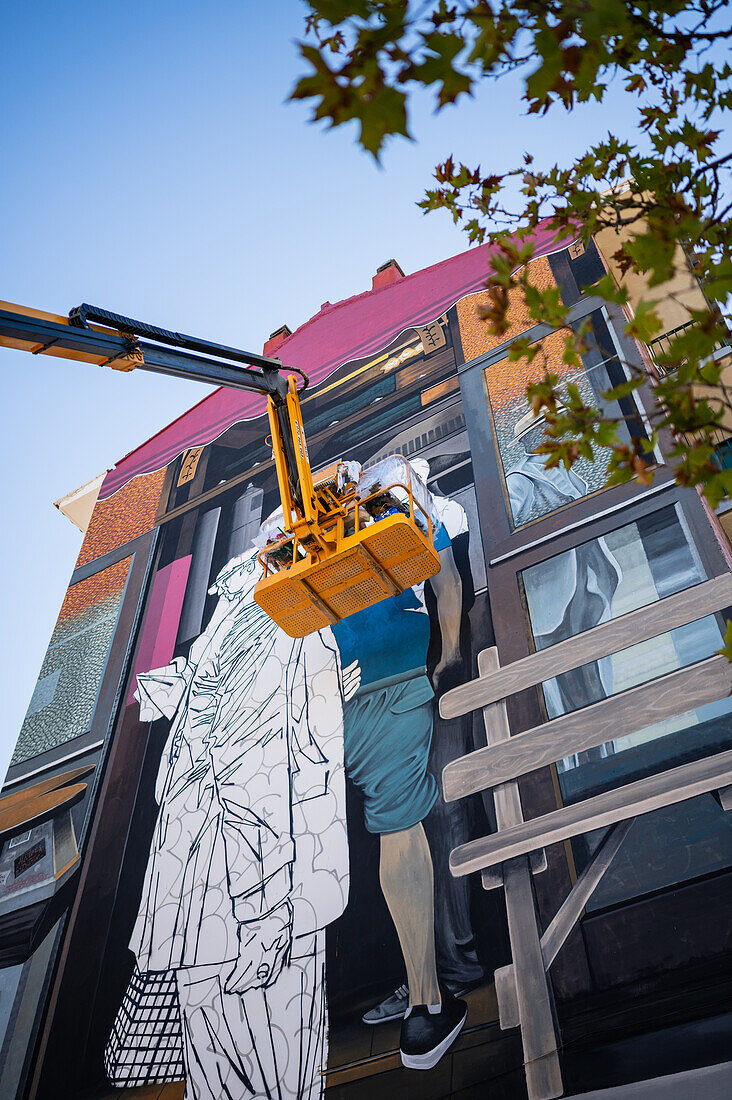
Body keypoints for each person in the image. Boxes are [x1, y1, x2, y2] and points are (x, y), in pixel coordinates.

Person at [108, 550, 349, 1100]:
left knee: (225, 1076)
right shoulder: (274, 621)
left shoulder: (240, 624)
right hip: (252, 903)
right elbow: (250, 769)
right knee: (277, 1073)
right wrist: (265, 911)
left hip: (210, 900)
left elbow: (239, 738)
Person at [331, 459, 469, 1071]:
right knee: (396, 826)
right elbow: (446, 586)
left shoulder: (369, 520)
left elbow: (443, 582)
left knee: (395, 824)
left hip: (358, 686)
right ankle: (424, 999)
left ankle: (427, 993)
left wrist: (448, 657)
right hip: (370, 681)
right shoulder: (403, 513)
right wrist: (451, 654)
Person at [360, 457, 484, 1029]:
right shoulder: (367, 540)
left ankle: (453, 968)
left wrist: (452, 660)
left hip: (437, 679)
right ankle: (421, 978)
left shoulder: (441, 517)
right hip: (391, 691)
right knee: (409, 828)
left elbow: (453, 588)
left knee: (447, 814)